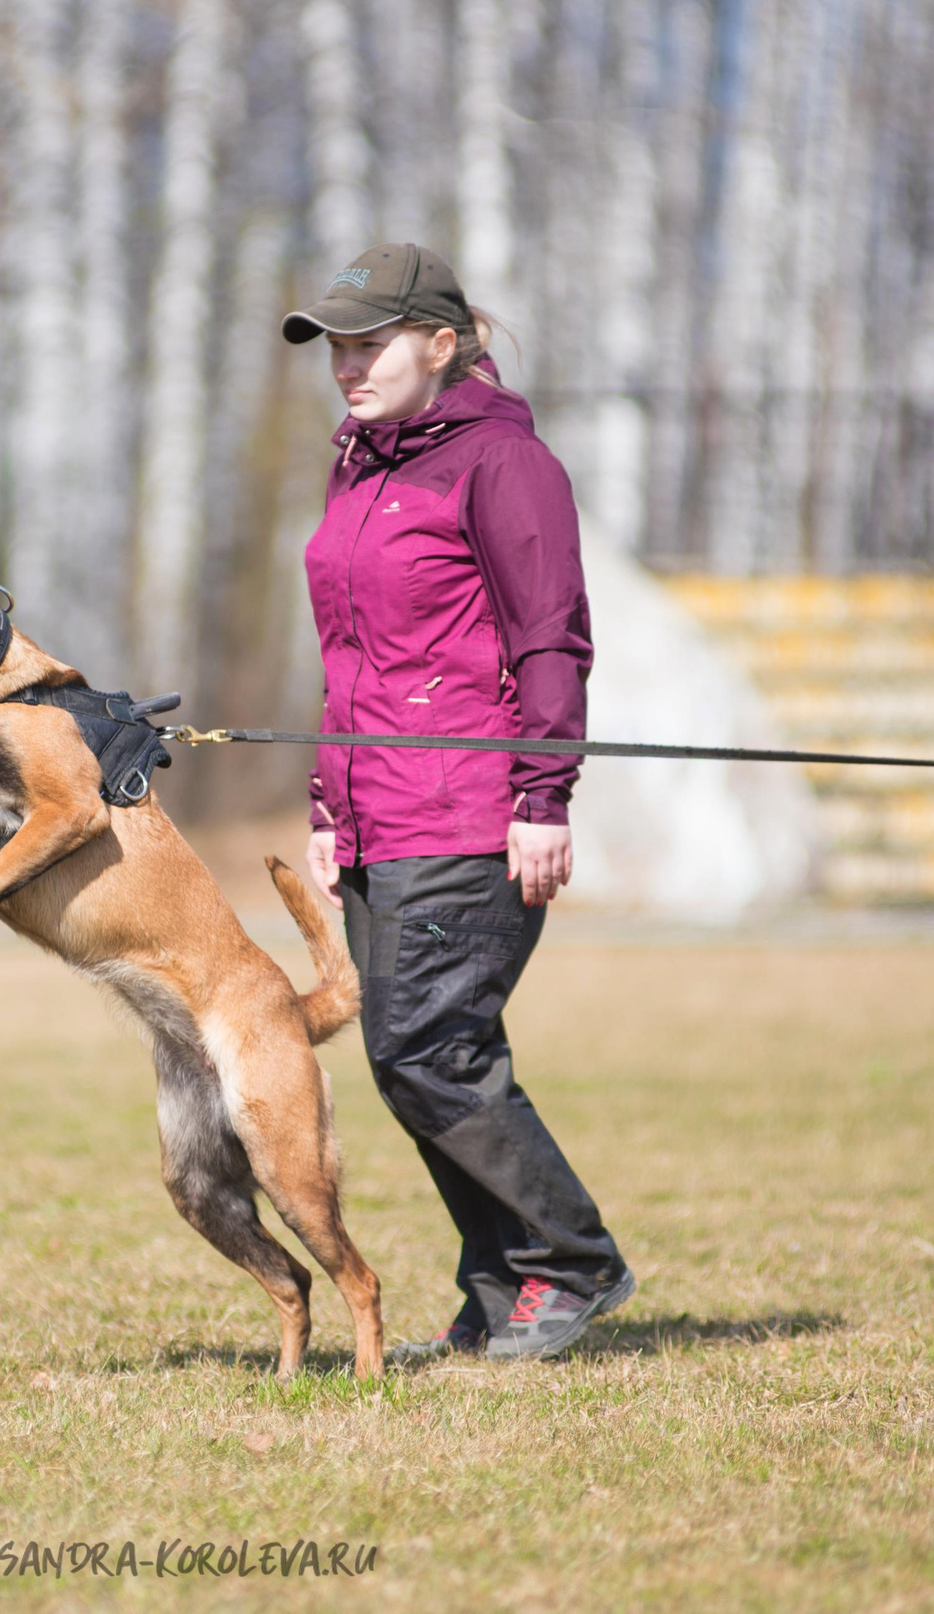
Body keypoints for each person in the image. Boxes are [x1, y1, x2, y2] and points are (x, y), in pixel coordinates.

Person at [284, 242, 634, 1364]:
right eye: (335, 347)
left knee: (429, 1047)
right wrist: (328, 800)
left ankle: (572, 1262)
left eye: (369, 343)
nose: (347, 365)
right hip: (377, 810)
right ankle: (498, 1289)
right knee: (411, 1058)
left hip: (470, 809)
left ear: (441, 343)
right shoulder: (358, 465)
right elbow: (353, 657)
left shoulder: (504, 463)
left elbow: (550, 638)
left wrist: (543, 795)